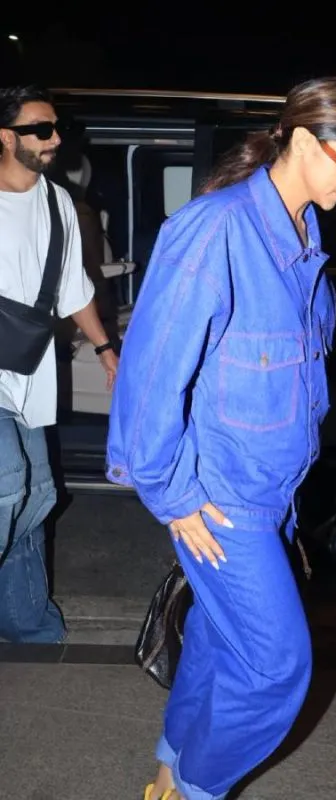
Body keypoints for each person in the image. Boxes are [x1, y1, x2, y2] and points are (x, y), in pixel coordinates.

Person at [105, 77, 336, 800]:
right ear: (300, 140)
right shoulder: (216, 230)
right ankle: (198, 786)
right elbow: (151, 370)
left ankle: (171, 764)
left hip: (274, 490)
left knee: (219, 641)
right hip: (223, 496)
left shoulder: (305, 234)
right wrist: (173, 496)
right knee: (276, 665)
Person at [0, 85, 117, 644]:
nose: (54, 139)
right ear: (6, 137)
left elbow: (74, 291)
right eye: (41, 129)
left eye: (55, 128)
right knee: (7, 487)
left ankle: (26, 622)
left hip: (31, 375)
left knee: (38, 495)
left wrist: (104, 348)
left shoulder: (57, 203)